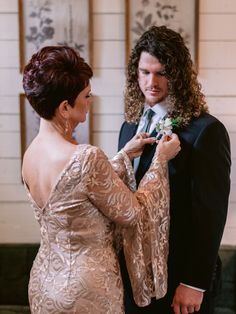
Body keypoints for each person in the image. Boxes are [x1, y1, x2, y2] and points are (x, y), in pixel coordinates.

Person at [21, 45, 180, 314]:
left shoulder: (31, 154)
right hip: (87, 289)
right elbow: (133, 213)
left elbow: (74, 191)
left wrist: (123, 155)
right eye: (86, 95)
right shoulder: (87, 157)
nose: (90, 101)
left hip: (44, 282)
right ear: (64, 107)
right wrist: (160, 161)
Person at [118, 26, 231, 314]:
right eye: (144, 72)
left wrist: (194, 282)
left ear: (178, 75)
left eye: (161, 72)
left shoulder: (206, 132)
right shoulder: (129, 127)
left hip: (181, 281)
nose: (151, 82)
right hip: (134, 280)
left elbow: (211, 213)